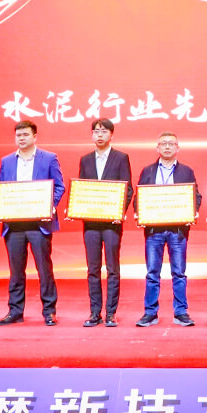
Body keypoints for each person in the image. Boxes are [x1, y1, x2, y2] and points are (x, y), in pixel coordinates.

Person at [0, 120, 65, 327]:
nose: (21, 138)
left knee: (44, 269)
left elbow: (59, 186)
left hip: (39, 224)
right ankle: (15, 311)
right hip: (14, 224)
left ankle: (49, 311)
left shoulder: (49, 158)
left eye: (25, 135)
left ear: (35, 136)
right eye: (18, 135)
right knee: (15, 271)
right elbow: (2, 189)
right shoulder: (7, 161)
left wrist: (50, 206)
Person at [135, 132, 202, 328]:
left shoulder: (186, 171)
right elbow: (139, 196)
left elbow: (195, 196)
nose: (167, 147)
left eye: (171, 144)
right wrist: (140, 212)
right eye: (163, 144)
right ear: (157, 148)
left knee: (179, 273)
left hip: (177, 230)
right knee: (152, 273)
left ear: (177, 148)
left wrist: (192, 211)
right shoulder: (148, 170)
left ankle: (180, 312)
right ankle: (150, 313)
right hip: (154, 230)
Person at [78, 118, 133, 328]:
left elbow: (127, 189)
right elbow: (82, 189)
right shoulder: (85, 160)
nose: (99, 135)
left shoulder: (121, 158)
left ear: (111, 134)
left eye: (103, 131)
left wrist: (120, 212)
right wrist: (78, 207)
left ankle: (110, 313)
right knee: (92, 269)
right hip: (91, 223)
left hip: (112, 222)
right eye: (96, 131)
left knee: (112, 268)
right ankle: (94, 313)